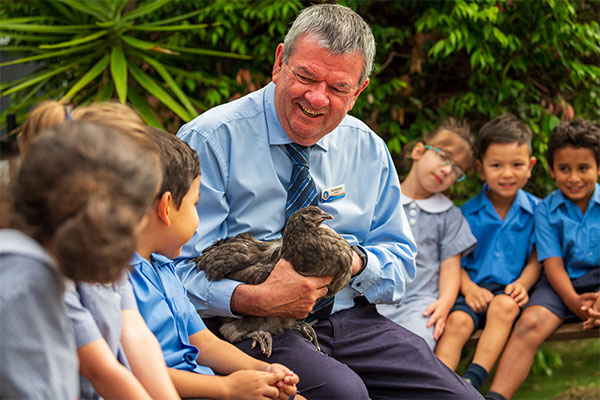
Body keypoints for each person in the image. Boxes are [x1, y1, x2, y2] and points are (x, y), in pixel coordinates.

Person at [175, 4, 482, 399]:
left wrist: (351, 262)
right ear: (280, 62)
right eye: (306, 76)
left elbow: (401, 261)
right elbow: (175, 270)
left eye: (338, 88)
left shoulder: (367, 147)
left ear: (358, 91)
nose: (317, 99)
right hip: (251, 324)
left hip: (351, 318)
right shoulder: (212, 139)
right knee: (344, 393)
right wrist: (256, 297)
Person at [17, 101, 180, 399]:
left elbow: (135, 334)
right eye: (137, 212)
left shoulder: (98, 248)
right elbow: (100, 369)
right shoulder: (31, 278)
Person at [129, 127, 300, 400]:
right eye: (195, 204)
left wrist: (263, 371)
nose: (198, 215)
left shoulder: (163, 269)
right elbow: (135, 374)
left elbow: (204, 343)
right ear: (166, 208)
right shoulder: (116, 280)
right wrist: (227, 389)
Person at [485, 118, 600, 400]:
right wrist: (574, 301)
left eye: (583, 168)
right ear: (551, 170)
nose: (573, 178)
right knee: (531, 322)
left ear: (598, 168)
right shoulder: (546, 210)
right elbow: (552, 262)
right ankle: (494, 397)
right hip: (561, 285)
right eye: (564, 169)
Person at [434, 114, 542, 390]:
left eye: (516, 165)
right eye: (497, 165)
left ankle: (472, 380)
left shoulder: (538, 212)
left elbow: (537, 258)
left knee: (503, 307)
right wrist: (469, 289)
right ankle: (435, 386)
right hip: (472, 291)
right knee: (457, 322)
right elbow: (452, 260)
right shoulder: (465, 214)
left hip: (509, 293)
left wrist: (522, 285)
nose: (507, 173)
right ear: (481, 169)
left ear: (530, 166)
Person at [377, 118, 477, 350]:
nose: (446, 170)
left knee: (416, 348)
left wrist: (444, 303)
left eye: (456, 170)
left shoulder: (449, 215)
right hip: (373, 301)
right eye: (444, 157)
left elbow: (450, 266)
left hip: (419, 304)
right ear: (419, 151)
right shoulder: (381, 198)